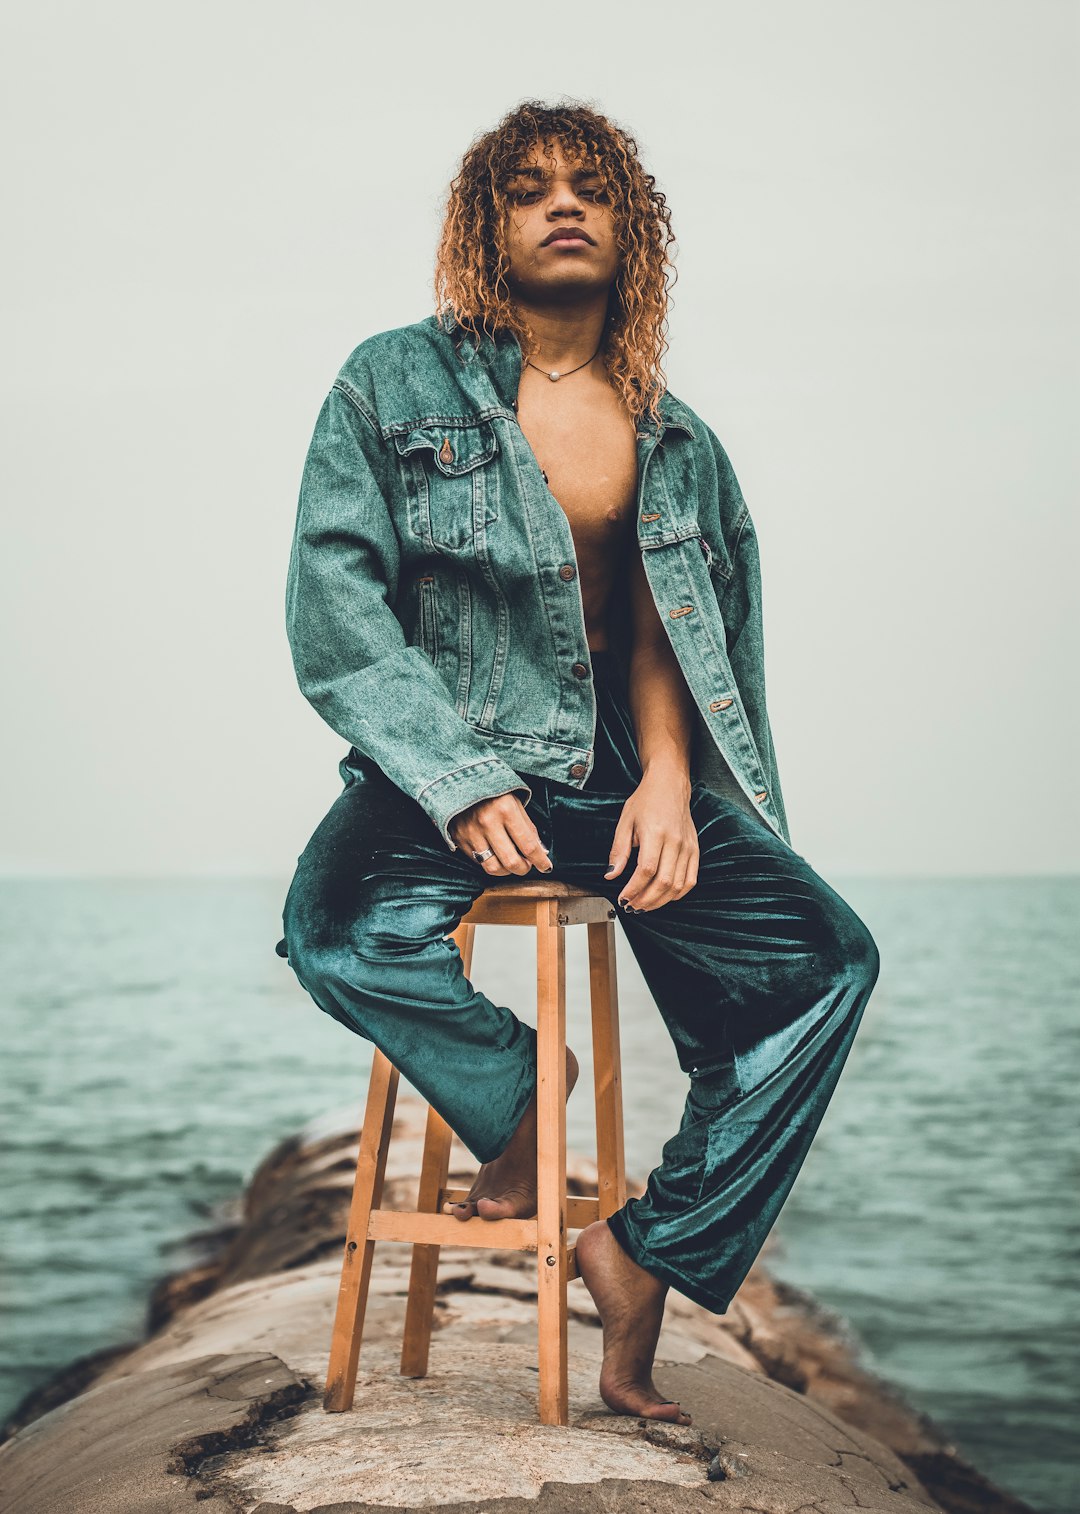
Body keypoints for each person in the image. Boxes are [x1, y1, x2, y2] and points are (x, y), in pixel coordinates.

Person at [278, 99, 880, 1425]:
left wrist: (669, 785)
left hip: (618, 783)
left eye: (593, 188)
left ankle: (648, 1250)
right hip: (444, 778)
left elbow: (677, 640)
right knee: (331, 937)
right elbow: (337, 617)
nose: (565, 204)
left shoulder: (679, 439)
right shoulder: (391, 384)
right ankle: (522, 1091)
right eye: (530, 187)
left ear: (631, 229)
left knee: (823, 965)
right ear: (485, 223)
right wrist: (455, 777)